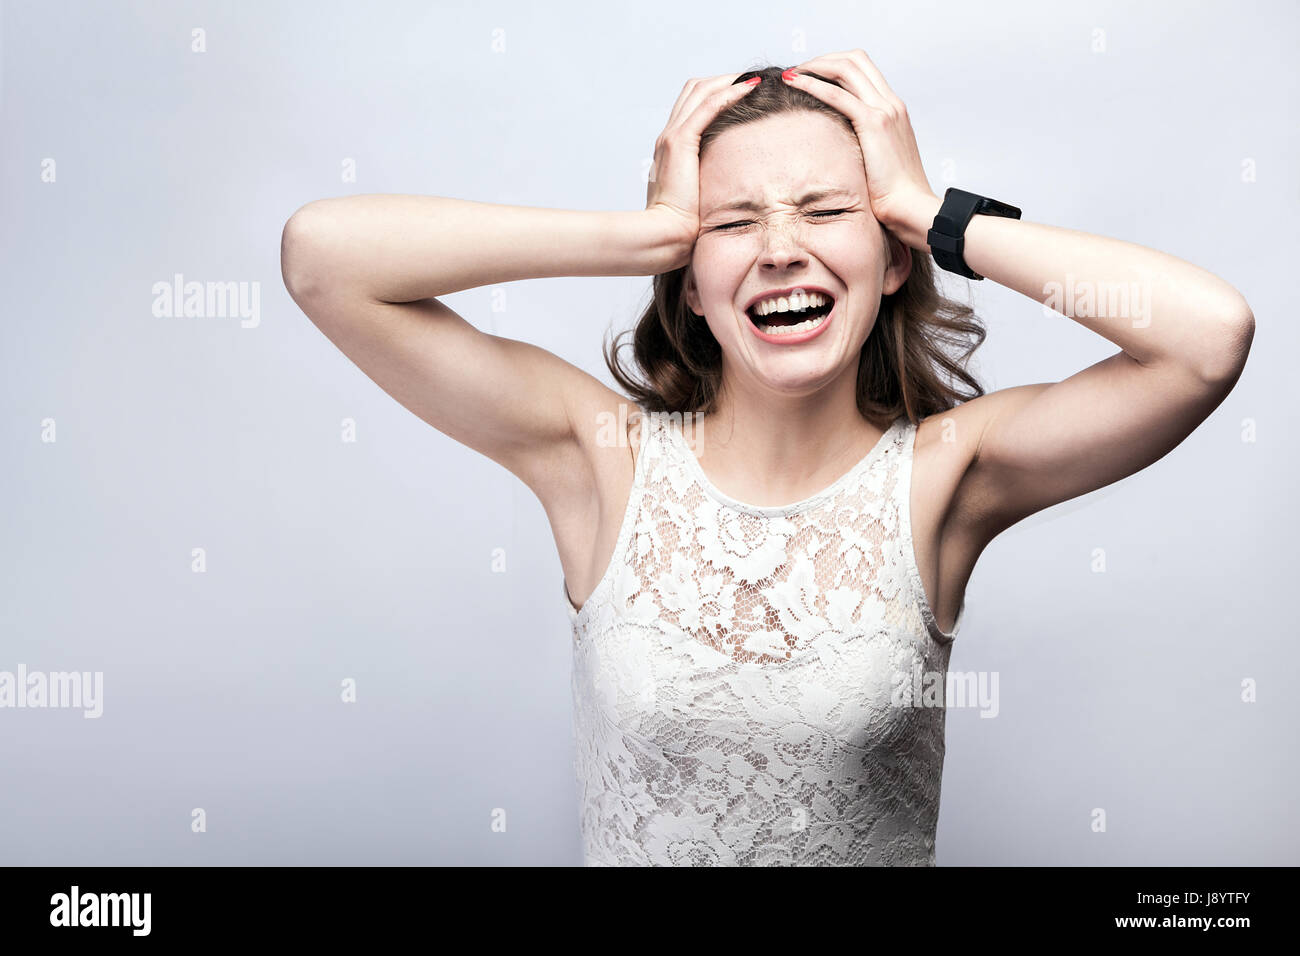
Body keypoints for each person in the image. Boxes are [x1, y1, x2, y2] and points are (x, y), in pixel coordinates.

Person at [279, 51, 1254, 865]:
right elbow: (322, 256)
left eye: (826, 212)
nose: (780, 247)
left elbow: (1206, 335)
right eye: (734, 222)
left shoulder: (951, 473)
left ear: (892, 258)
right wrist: (643, 235)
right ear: (692, 286)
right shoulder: (597, 455)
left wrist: (927, 205)